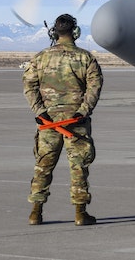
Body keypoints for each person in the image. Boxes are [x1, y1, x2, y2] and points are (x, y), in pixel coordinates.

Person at [23, 14, 104, 226]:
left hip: (48, 123)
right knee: (78, 167)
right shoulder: (86, 58)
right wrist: (82, 111)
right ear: (75, 32)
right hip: (75, 123)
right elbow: (94, 87)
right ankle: (80, 213)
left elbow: (29, 85)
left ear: (54, 33)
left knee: (43, 166)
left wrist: (40, 112)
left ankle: (35, 212)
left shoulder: (40, 57)